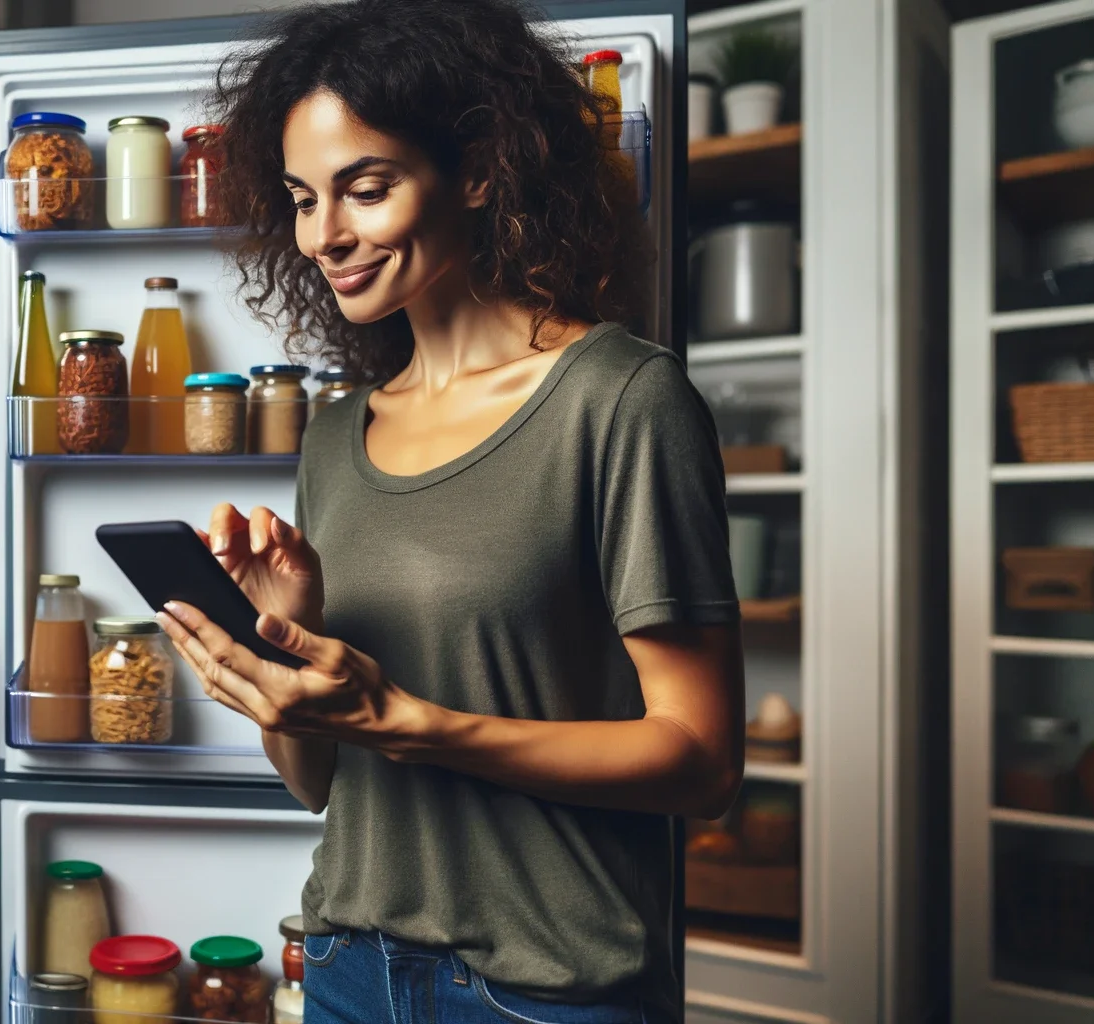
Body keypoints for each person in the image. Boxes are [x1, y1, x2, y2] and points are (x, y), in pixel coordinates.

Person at [152, 2, 745, 1022]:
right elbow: (317, 783)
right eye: (301, 198)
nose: (324, 233)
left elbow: (699, 760)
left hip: (544, 989)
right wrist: (286, 642)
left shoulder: (618, 398)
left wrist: (417, 724)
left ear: (477, 170)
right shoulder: (337, 434)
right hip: (345, 967)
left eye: (365, 188)